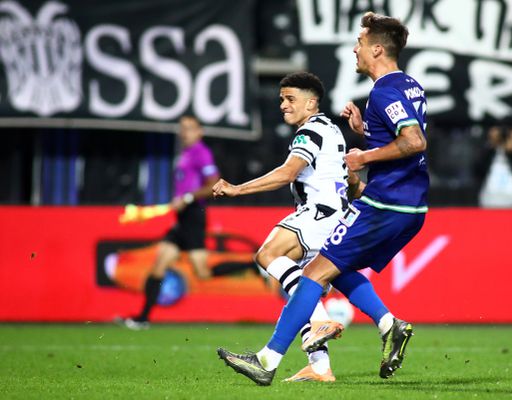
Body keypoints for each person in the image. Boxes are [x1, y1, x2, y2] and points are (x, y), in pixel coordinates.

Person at [216, 12, 429, 385]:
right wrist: (367, 131)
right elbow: (402, 138)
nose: (355, 49)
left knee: (293, 266)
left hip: (383, 202)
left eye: (360, 43)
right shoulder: (410, 86)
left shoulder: (382, 92)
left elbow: (414, 141)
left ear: (377, 49)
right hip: (409, 204)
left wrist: (365, 156)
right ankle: (380, 329)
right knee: (335, 270)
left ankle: (269, 359)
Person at [212, 71, 351, 382]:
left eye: (290, 99)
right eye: (281, 100)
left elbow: (288, 173)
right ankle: (320, 367)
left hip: (319, 212)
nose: (283, 106)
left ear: (311, 103)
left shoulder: (310, 132)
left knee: (267, 254)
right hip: (335, 216)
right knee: (301, 289)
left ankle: (321, 321)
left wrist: (237, 189)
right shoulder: (331, 129)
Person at [122, 115, 220, 330]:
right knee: (158, 265)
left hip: (194, 215)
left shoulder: (201, 153)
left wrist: (188, 198)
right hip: (182, 218)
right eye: (182, 128)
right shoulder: (185, 153)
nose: (184, 132)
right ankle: (142, 318)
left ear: (199, 132)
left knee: (202, 272)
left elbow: (213, 184)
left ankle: (252, 265)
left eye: (190, 128)